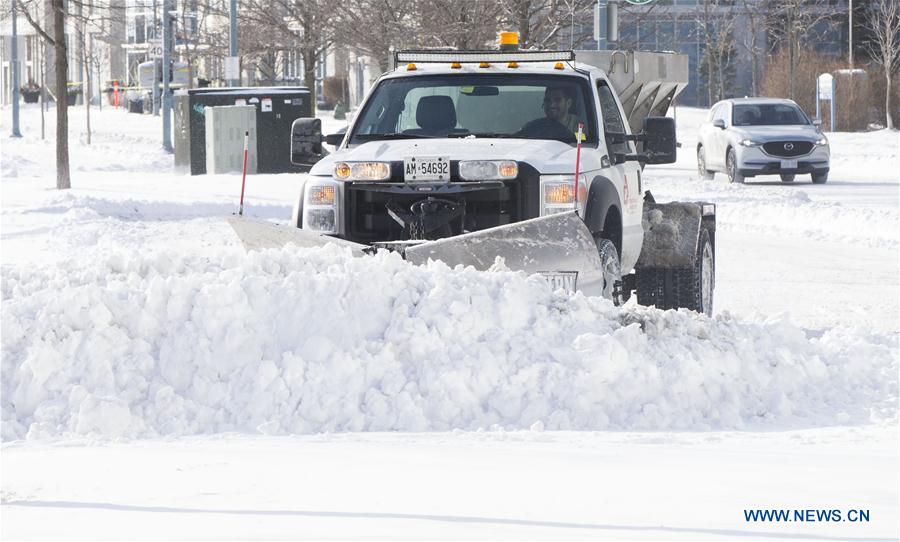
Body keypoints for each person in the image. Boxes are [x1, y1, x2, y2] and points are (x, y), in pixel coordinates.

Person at [518, 86, 582, 139]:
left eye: (557, 100)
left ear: (568, 103)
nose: (551, 105)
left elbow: (583, 144)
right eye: (548, 100)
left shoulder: (580, 126)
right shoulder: (533, 126)